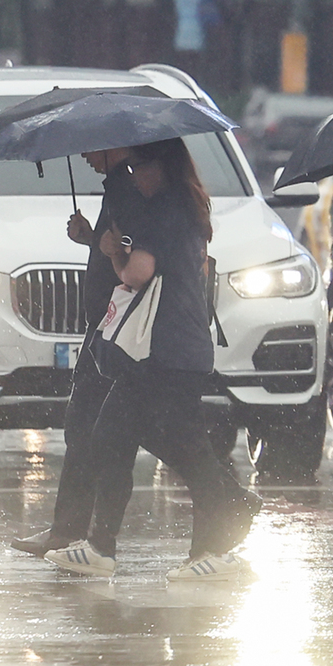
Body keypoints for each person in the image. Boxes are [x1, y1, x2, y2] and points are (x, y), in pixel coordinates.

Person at [46, 139, 257, 582]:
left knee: (183, 448)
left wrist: (113, 251)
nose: (135, 175)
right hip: (175, 347)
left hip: (164, 348)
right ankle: (104, 547)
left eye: (140, 166)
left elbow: (137, 273)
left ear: (161, 166)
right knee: (119, 435)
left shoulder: (165, 207)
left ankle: (211, 549)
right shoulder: (186, 204)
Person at [10, 149, 140, 556]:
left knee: (96, 428)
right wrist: (90, 239)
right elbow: (112, 249)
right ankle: (69, 532)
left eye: (91, 147)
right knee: (86, 427)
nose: (83, 154)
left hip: (115, 329)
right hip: (104, 327)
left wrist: (111, 247)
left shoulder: (129, 189)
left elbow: (136, 254)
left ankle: (85, 537)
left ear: (114, 145)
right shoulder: (117, 188)